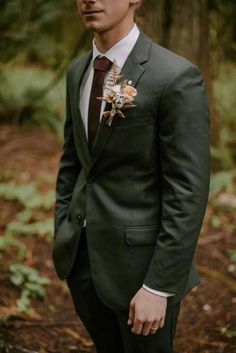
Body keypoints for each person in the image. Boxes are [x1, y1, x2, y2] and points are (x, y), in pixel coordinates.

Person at [51, 0, 211, 352]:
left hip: (143, 274)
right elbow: (73, 164)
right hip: (83, 264)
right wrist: (64, 229)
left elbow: (188, 190)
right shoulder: (78, 71)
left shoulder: (174, 76)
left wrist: (159, 286)